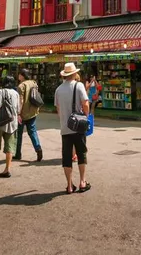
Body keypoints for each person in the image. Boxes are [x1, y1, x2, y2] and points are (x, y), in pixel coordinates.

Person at [55, 63, 91, 194]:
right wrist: (86, 118)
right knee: (81, 154)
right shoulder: (79, 85)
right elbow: (85, 104)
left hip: (65, 128)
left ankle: (69, 186)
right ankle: (82, 182)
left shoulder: (58, 89)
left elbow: (58, 110)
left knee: (66, 157)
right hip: (79, 127)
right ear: (74, 74)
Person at [15, 69, 43, 162]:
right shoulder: (34, 83)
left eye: (19, 74)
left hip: (23, 114)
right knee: (32, 131)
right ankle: (38, 148)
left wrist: (18, 113)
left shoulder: (21, 86)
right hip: (33, 112)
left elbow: (21, 100)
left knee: (19, 134)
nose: (18, 76)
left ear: (22, 75)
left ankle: (18, 153)